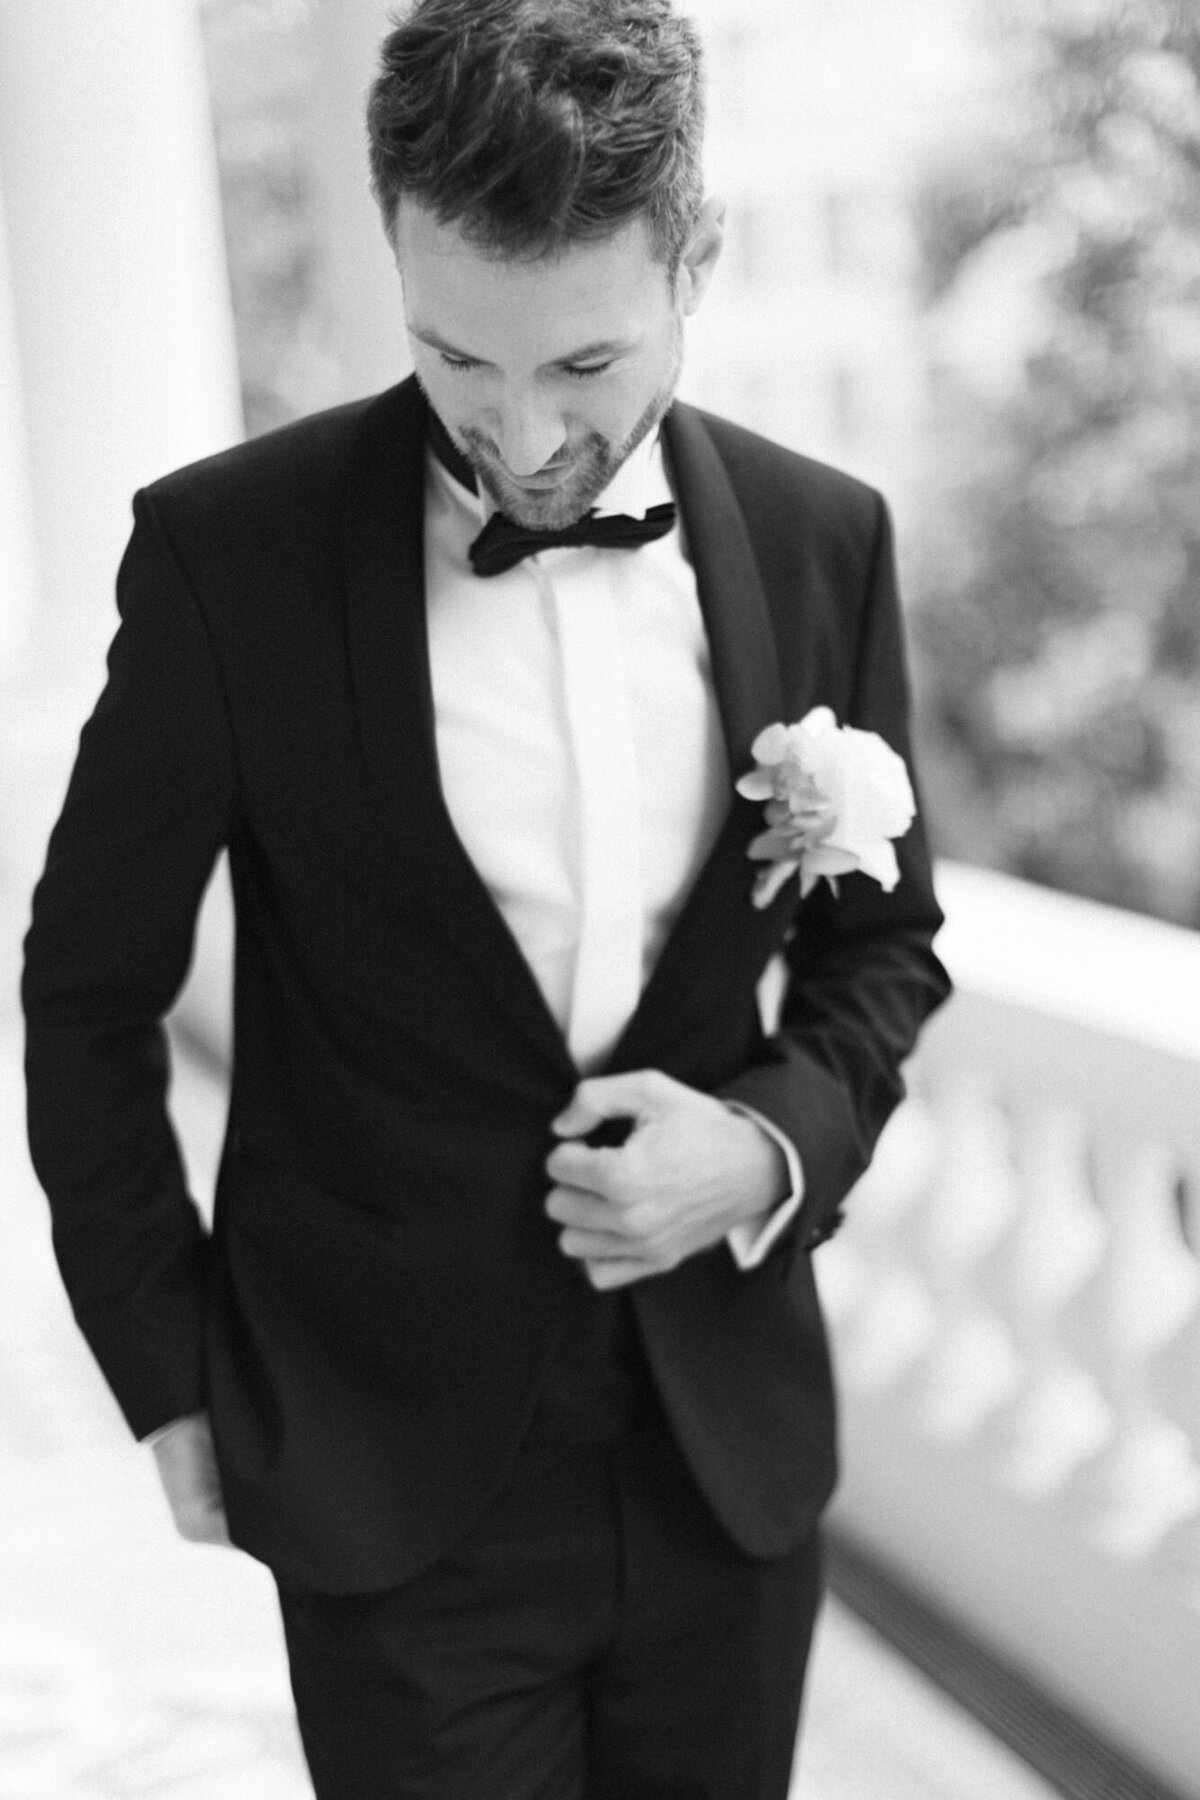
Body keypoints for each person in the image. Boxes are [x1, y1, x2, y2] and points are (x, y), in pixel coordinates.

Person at [22, 1, 950, 1795]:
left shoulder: (826, 536)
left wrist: (764, 1150)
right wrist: (169, 1369)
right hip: (384, 1482)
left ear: (698, 265)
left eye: (584, 368)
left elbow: (882, 946)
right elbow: (86, 992)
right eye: (460, 358)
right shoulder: (232, 559)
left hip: (723, 1469)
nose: (522, 436)